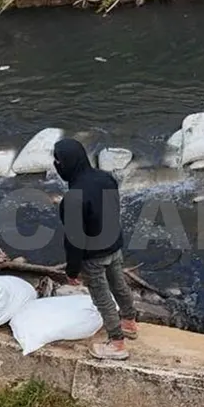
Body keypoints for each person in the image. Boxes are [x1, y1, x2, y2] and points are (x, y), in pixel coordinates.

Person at [54, 138, 139, 361]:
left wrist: (72, 271)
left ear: (65, 164)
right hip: (114, 245)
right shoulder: (106, 178)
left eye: (58, 161)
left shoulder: (73, 198)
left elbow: (74, 240)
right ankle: (129, 322)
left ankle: (117, 343)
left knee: (102, 298)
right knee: (119, 285)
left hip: (93, 256)